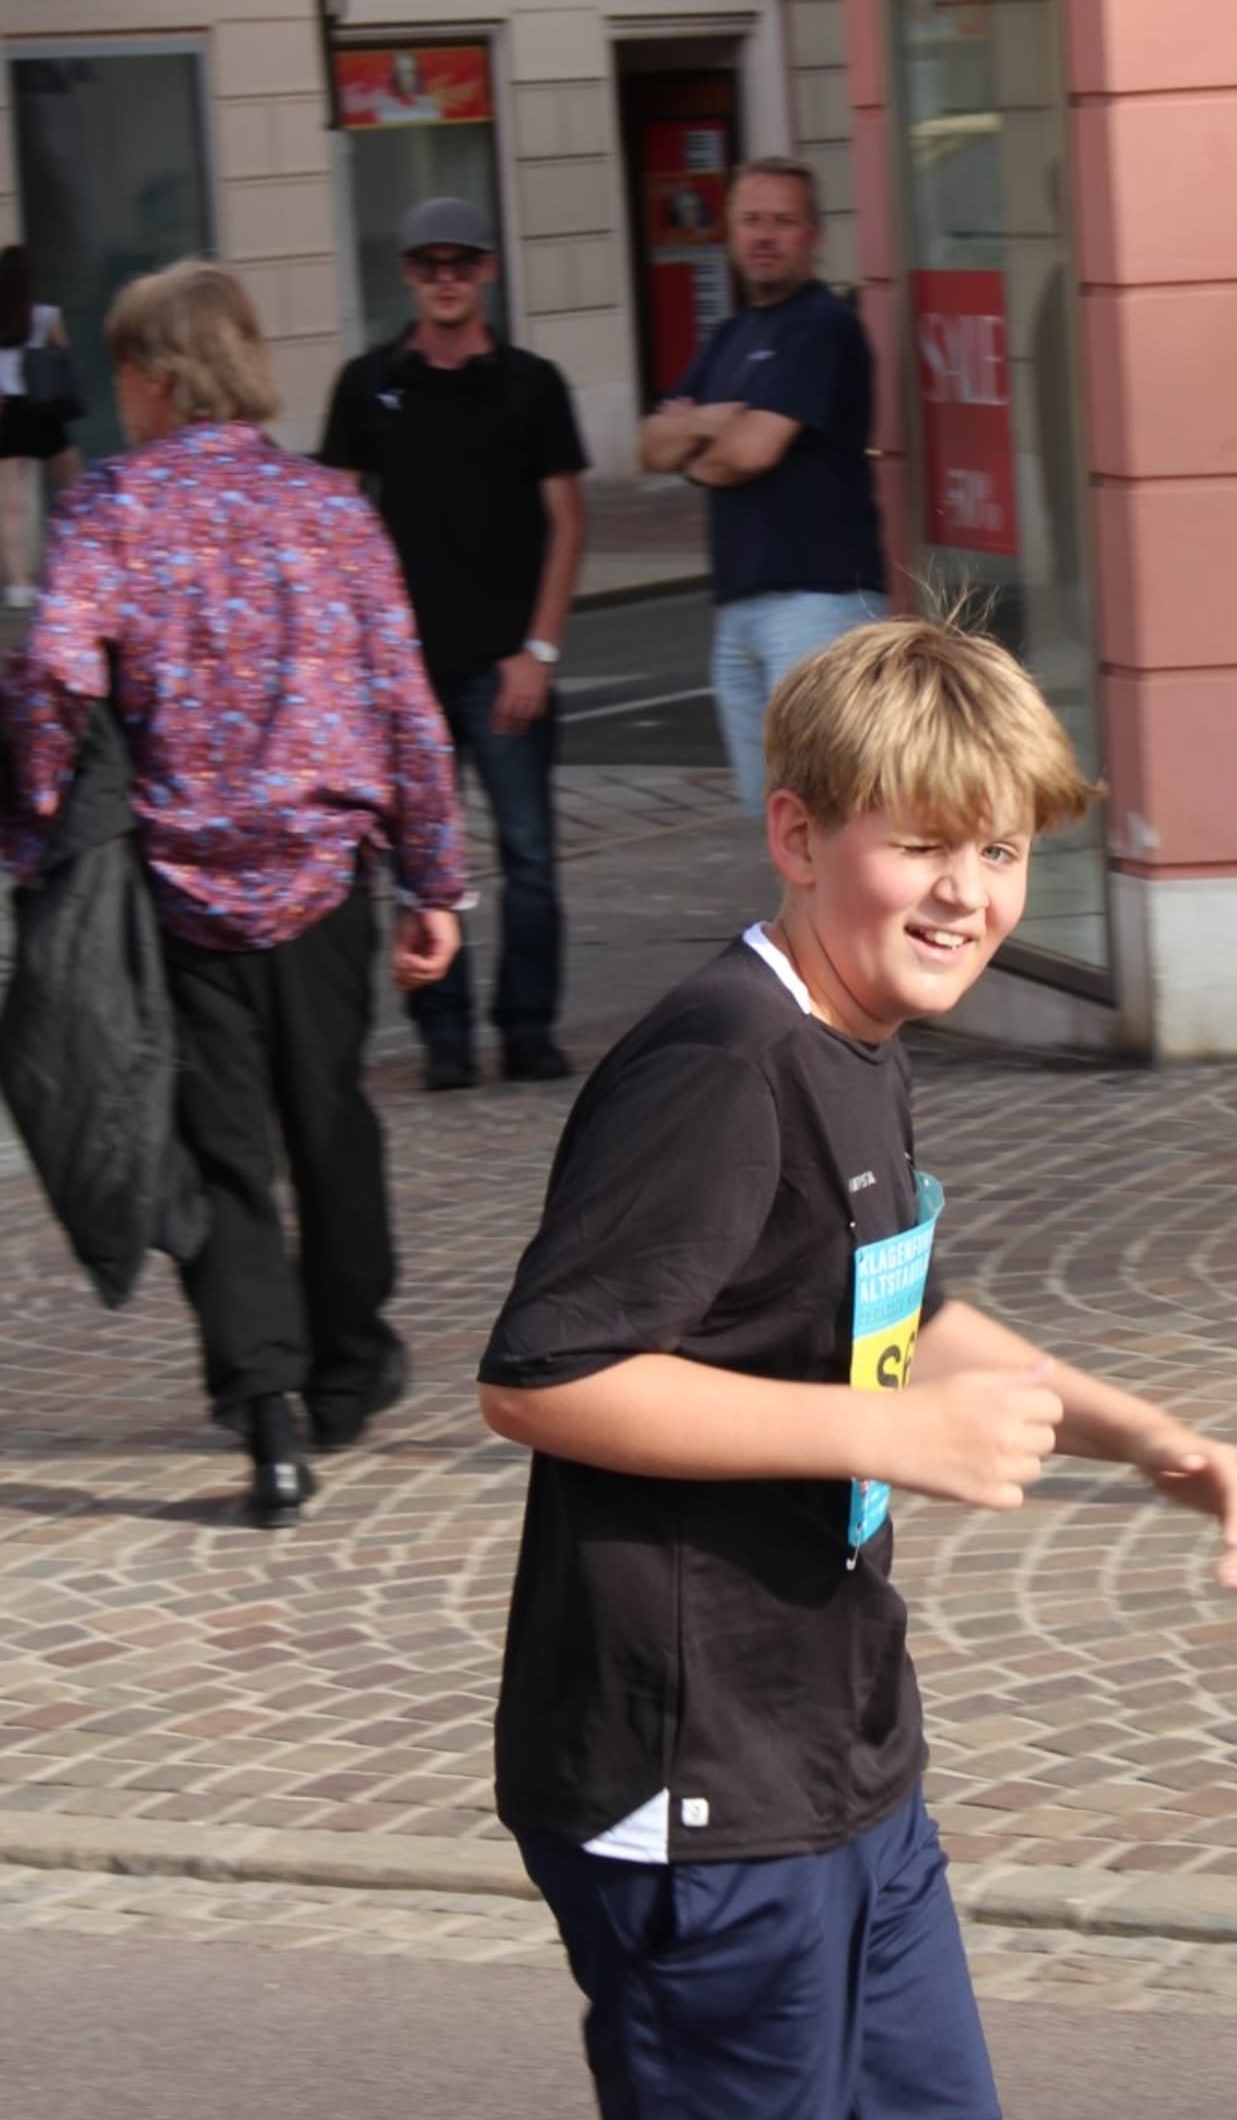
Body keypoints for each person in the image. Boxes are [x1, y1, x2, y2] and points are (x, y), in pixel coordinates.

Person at [74, 613, 1237, 2120]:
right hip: (686, 1760)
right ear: (798, 834)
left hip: (827, 1732)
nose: (969, 895)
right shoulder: (723, 1064)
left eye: (1001, 852)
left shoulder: (851, 1042)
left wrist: (1127, 1424)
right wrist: (882, 1435)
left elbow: (882, 1298)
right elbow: (546, 1374)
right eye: (922, 846)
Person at [0, 261, 465, 1523]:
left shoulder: (112, 506)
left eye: (123, 369)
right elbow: (405, 707)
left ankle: (266, 1417)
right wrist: (434, 881)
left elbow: (54, 672)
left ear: (156, 376)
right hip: (322, 878)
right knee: (331, 1121)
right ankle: (350, 1371)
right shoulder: (330, 510)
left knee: (221, 1152)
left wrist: (37, 819)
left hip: (179, 887)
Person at [321, 195, 587, 1091]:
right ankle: (443, 1035)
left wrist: (539, 651)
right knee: (420, 864)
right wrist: (361, 658)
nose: (446, 278)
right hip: (406, 676)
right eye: (429, 263)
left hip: (507, 666)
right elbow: (333, 526)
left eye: (461, 262)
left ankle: (526, 1029)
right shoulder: (368, 384)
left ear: (487, 271)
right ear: (407, 273)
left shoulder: (531, 383)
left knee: (529, 857)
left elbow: (567, 521)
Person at [640, 158, 888, 812]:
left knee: (826, 812)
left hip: (820, 601)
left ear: (814, 234)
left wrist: (697, 445)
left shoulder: (823, 325)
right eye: (751, 220)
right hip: (740, 611)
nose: (765, 236)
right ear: (729, 231)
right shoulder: (731, 335)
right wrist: (709, 423)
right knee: (774, 821)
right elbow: (649, 445)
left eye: (783, 221)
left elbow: (751, 452)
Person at [0, 242, 83, 608]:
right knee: (77, 488)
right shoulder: (47, 315)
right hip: (42, 409)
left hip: (7, 412)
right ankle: (80, 565)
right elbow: (62, 354)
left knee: (10, 505)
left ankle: (18, 586)